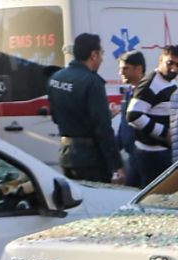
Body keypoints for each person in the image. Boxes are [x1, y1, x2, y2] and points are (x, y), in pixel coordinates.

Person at [47, 33, 124, 183]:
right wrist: (117, 165)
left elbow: (56, 116)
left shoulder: (56, 77)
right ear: (93, 55)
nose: (101, 59)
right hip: (90, 159)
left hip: (66, 154)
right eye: (101, 53)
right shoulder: (92, 82)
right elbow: (102, 128)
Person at [126, 45, 178, 186]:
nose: (174, 69)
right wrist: (165, 132)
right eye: (169, 63)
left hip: (161, 152)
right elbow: (133, 115)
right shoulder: (151, 83)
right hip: (151, 155)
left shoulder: (169, 81)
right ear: (160, 60)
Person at [116, 50, 145, 187]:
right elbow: (124, 126)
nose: (121, 72)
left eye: (125, 68)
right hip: (131, 157)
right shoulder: (129, 93)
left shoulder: (148, 92)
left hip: (144, 156)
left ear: (138, 69)